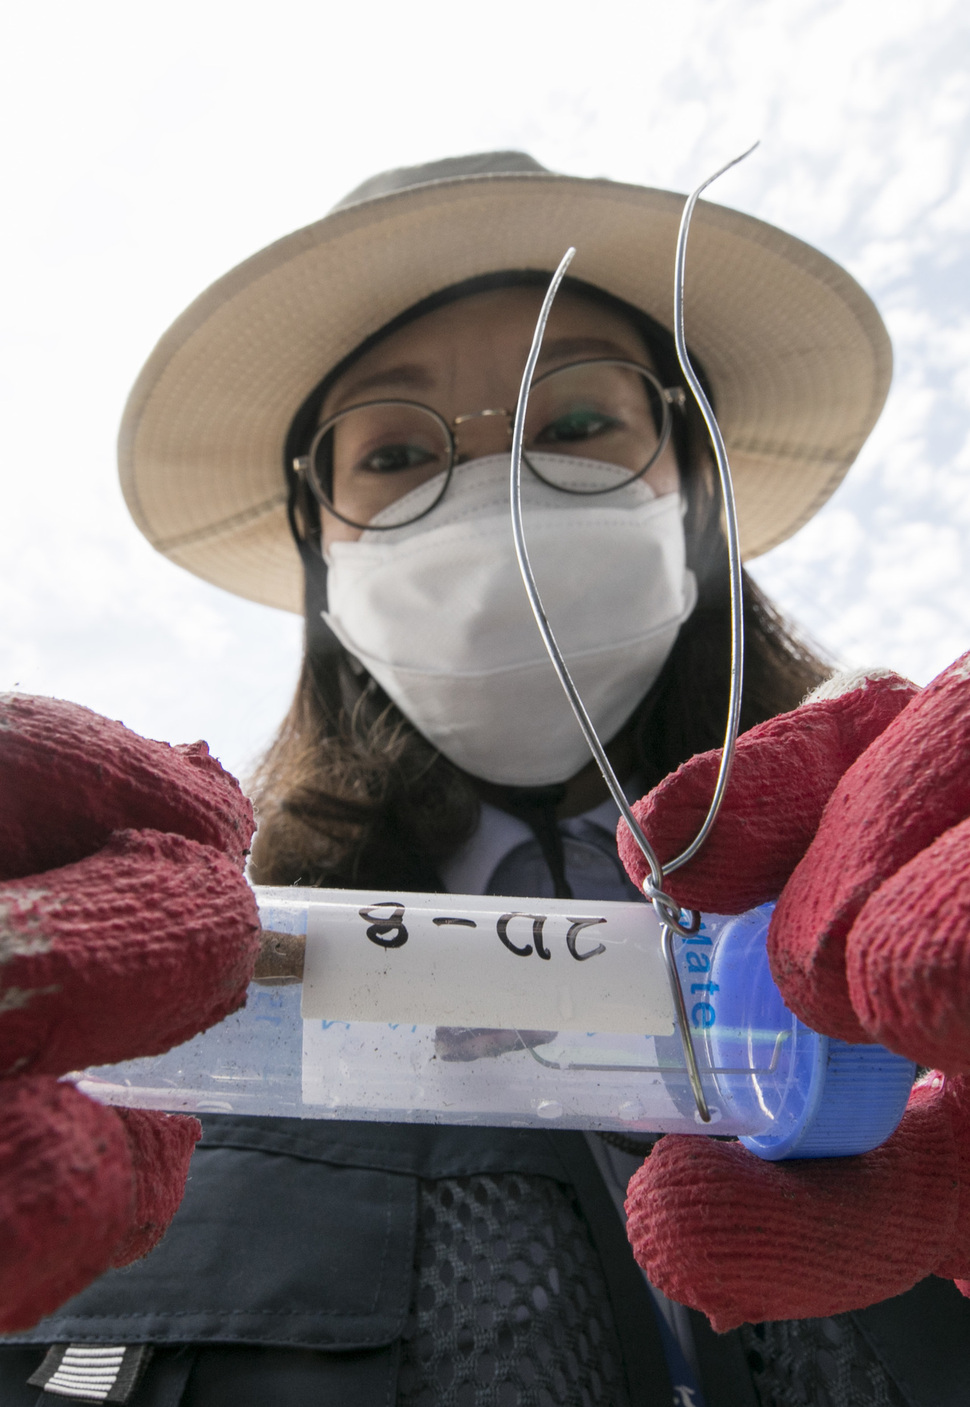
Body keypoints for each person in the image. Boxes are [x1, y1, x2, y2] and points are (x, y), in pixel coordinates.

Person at [2, 150, 967, 1407]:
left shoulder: (915, 952)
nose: (493, 496)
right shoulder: (174, 1024)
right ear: (322, 548)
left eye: (575, 424)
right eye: (396, 455)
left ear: (691, 486)